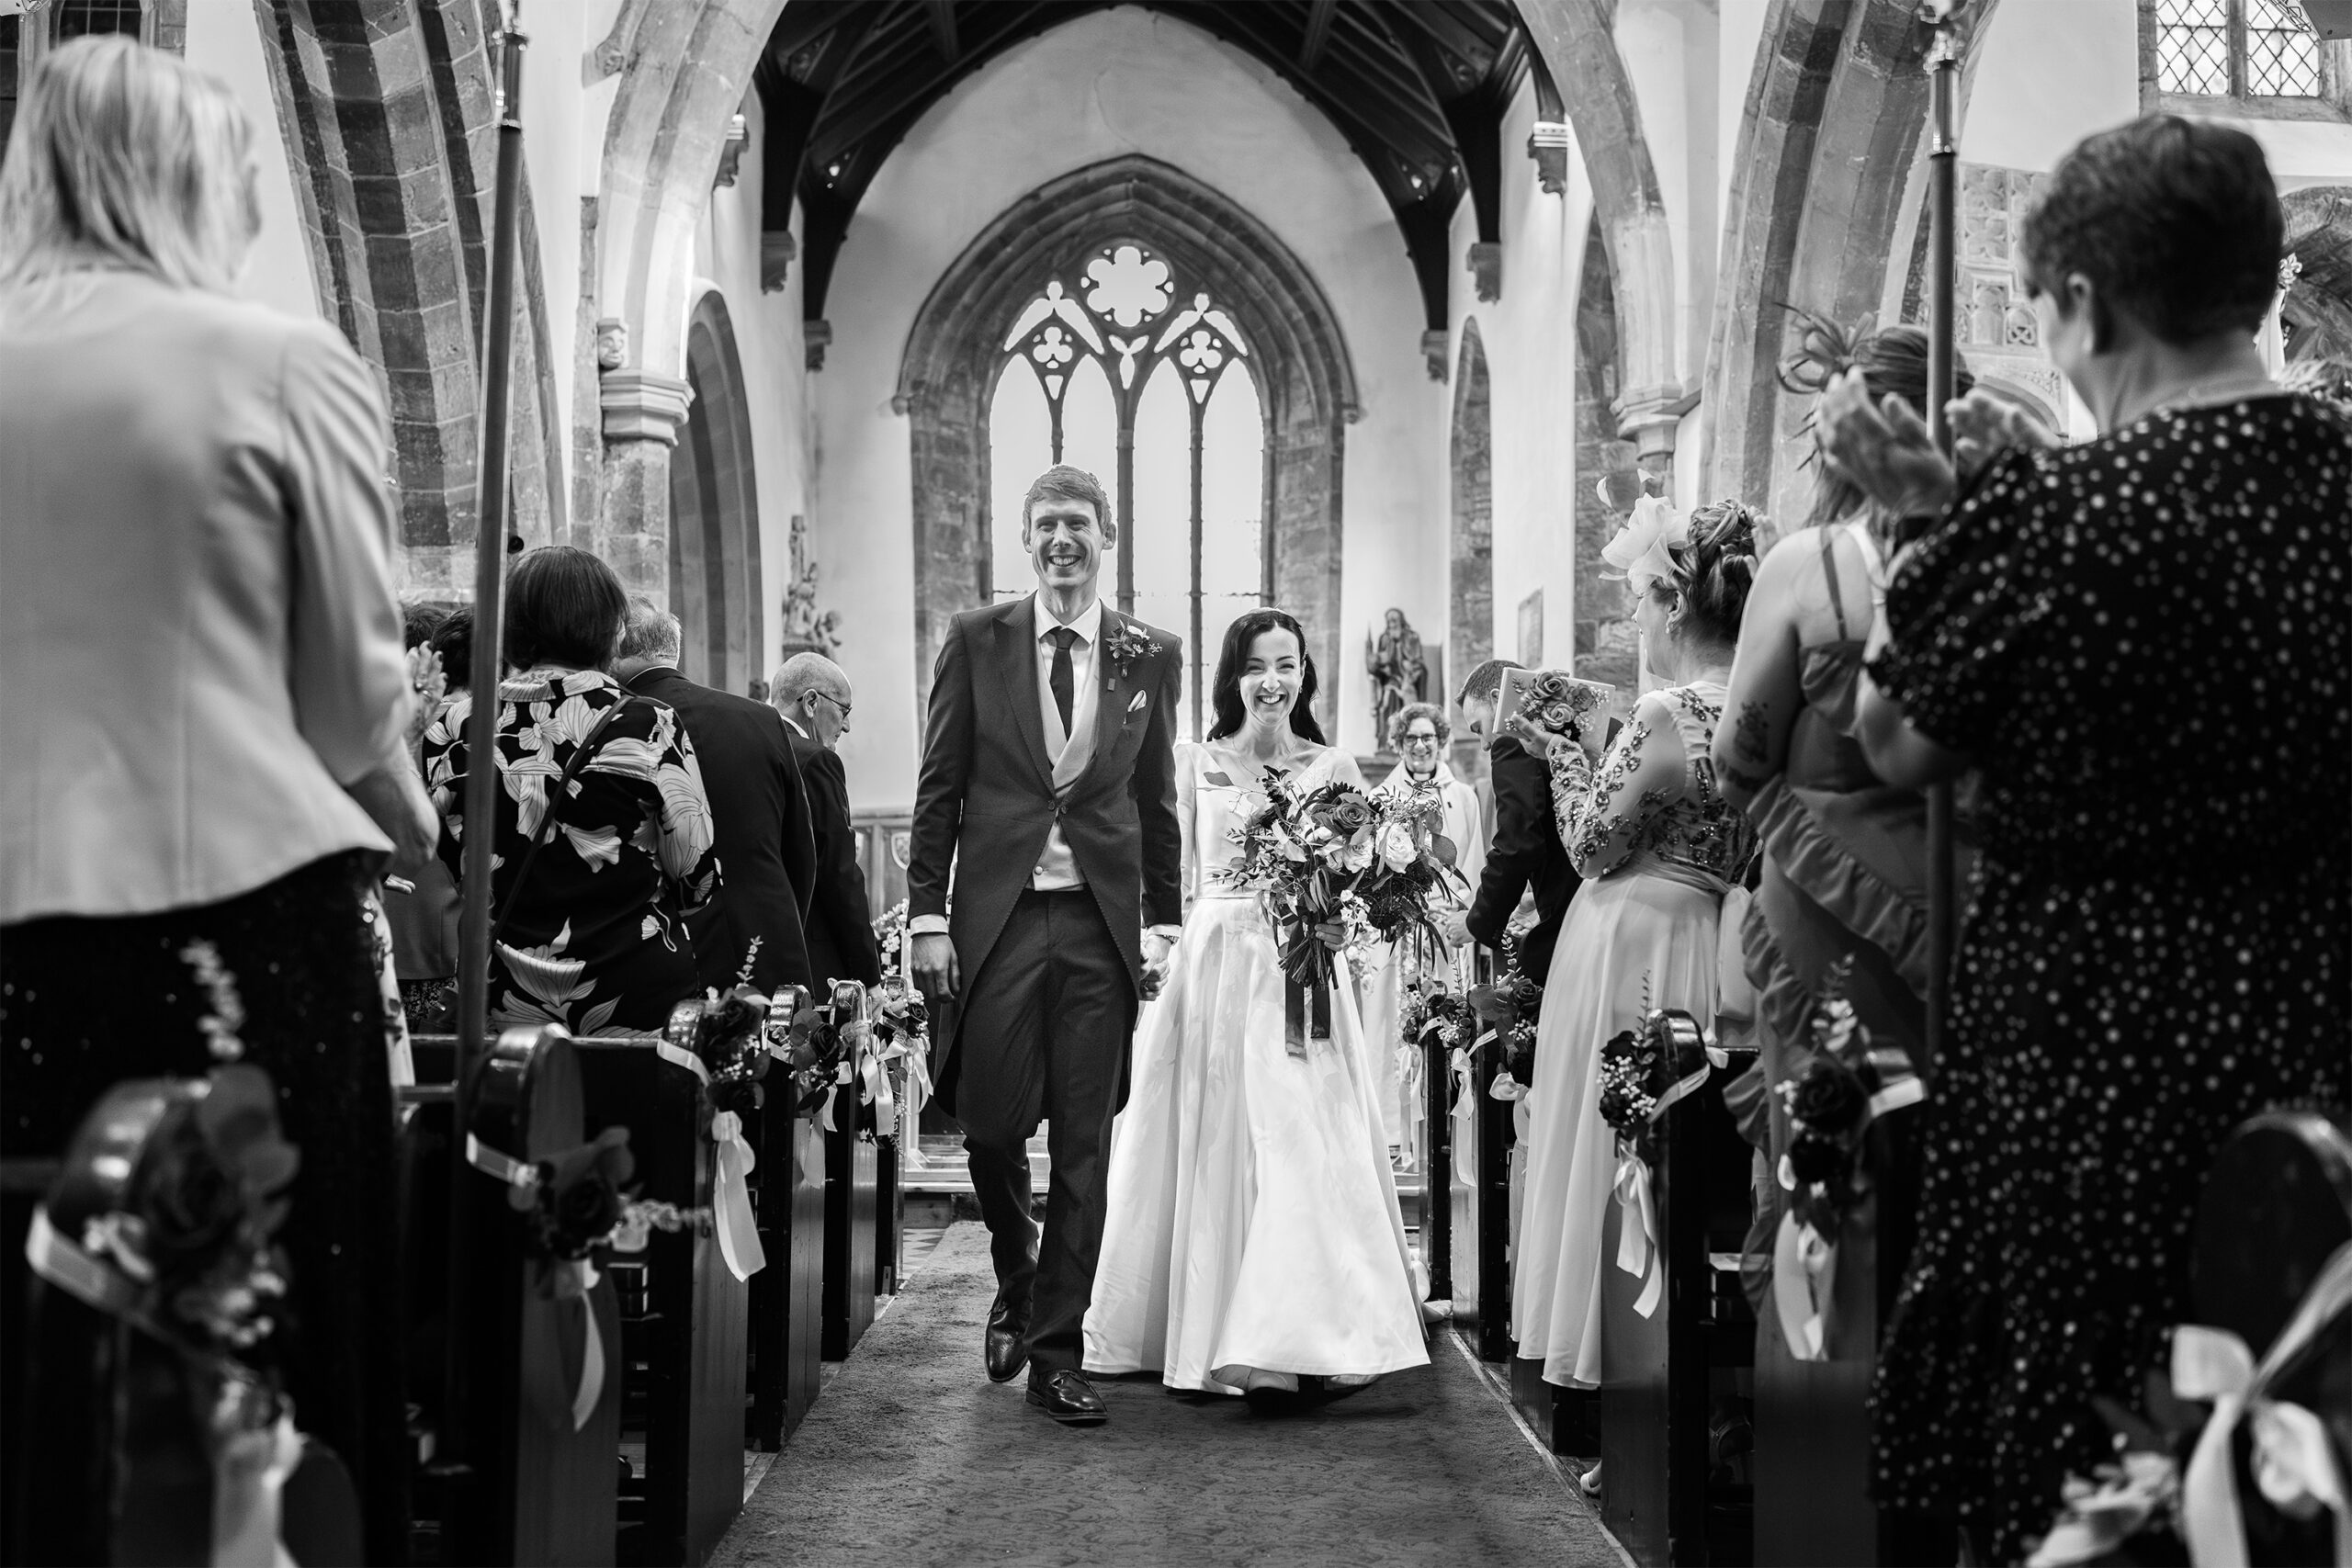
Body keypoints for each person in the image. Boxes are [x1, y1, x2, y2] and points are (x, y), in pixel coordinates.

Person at [1819, 115, 2351, 1562]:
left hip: (2093, 1065)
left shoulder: (2058, 515)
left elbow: (1899, 736)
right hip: (2319, 1040)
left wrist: (1926, 525)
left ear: (2087, 305)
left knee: (2093, 1450)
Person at [0, 38, 432, 1561]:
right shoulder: (279, 363)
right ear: (189, 178)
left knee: (30, 1382)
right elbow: (345, 703)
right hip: (237, 940)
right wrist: (424, 824)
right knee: (257, 1370)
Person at [1085, 608, 1431, 1406]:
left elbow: (1355, 869)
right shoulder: (1195, 759)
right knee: (1214, 1134)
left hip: (1300, 964)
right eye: (1255, 667)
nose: (1271, 681)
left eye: (1287, 664)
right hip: (1214, 957)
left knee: (1301, 1138)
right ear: (1232, 679)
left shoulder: (1333, 762)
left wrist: (1342, 907)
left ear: (1306, 672)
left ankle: (1302, 1332)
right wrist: (1156, 945)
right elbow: (1166, 867)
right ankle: (1208, 1328)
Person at [906, 463, 1183, 1427]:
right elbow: (938, 783)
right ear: (1027, 541)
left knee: (1082, 1145)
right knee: (985, 1122)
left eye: (1078, 523)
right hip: (1000, 918)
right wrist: (928, 913)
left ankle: (1057, 1352)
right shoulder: (977, 639)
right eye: (1046, 525)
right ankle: (1016, 1277)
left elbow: (1155, 801)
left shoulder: (1149, 653)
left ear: (1107, 534)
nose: (1062, 539)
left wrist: (1165, 919)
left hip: (1100, 929)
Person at [1711, 321, 1974, 1312]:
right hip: (1963, 895)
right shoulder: (1992, 554)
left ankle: (1817, 1418)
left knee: (1832, 1142)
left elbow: (1739, 758)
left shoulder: (1811, 564)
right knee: (1948, 1160)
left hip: (1825, 905)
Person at [1507, 500, 1759, 1446]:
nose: (1632, 626)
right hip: (1711, 936)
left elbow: (1588, 844)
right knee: (1682, 1153)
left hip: (1628, 941)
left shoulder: (1668, 711)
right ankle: (1698, 1394)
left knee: (1610, 1146)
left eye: (1636, 608)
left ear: (1671, 608)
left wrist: (1561, 755)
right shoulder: (1764, 709)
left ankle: (1612, 1384)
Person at [422, 547, 719, 1034]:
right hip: (629, 996)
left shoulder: (453, 728)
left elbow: (453, 862)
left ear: (512, 630)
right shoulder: (645, 724)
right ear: (612, 629)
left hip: (501, 1001)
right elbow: (695, 878)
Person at [615, 599, 819, 993]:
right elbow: (800, 851)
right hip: (767, 948)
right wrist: (782, 925)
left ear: (616, 649)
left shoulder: (619, 723)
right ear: (672, 649)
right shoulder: (760, 718)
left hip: (662, 954)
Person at [1360, 702, 1485, 1165]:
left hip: (1447, 929)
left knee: (1448, 1018)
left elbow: (1473, 860)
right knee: (1394, 1024)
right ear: (1399, 743)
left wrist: (1462, 913)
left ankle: (1445, 1131)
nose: (1419, 745)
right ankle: (1393, 1134)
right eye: (1410, 738)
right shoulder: (1381, 795)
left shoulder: (1465, 796)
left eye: (1427, 737)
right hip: (1399, 930)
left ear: (1441, 741)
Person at [1446, 659, 1578, 981]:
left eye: (1478, 728)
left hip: (1574, 919)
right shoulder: (1580, 726)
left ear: (1497, 698)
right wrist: (1537, 893)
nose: (1484, 744)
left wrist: (1477, 921)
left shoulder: (1512, 737)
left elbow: (1518, 844)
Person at [773, 651, 884, 989]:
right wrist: (869, 974)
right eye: (843, 710)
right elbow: (839, 873)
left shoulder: (748, 748)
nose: (847, 725)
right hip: (810, 953)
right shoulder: (816, 760)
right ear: (810, 702)